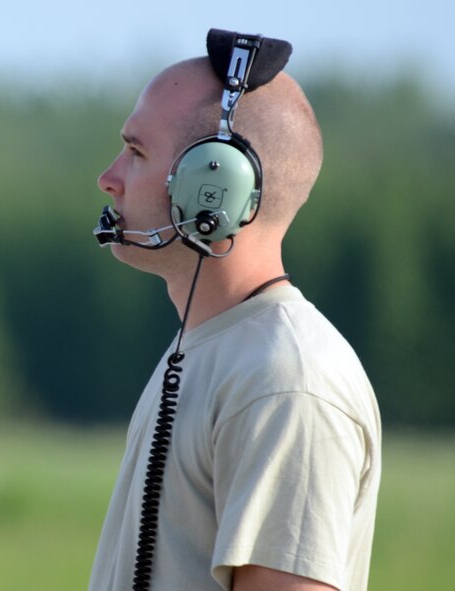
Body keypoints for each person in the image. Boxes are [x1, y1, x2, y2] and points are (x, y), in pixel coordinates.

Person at [87, 47, 381, 591]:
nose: (109, 178)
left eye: (135, 152)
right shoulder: (213, 351)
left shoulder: (287, 383)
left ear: (215, 188)